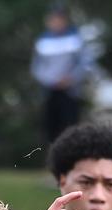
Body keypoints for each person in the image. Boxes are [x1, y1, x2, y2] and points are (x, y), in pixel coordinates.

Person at [30, 5, 92, 143]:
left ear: (65, 20)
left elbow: (85, 63)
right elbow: (37, 68)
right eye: (53, 19)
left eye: (59, 19)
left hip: (71, 91)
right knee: (50, 127)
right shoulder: (42, 41)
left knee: (70, 127)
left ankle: (70, 160)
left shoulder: (76, 39)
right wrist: (50, 80)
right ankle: (53, 159)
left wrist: (71, 78)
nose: (56, 22)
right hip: (49, 91)